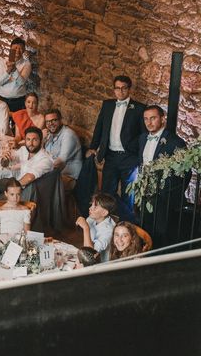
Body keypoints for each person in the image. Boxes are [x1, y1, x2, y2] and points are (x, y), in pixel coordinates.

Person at [88, 75, 146, 220]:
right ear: (114, 90)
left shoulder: (139, 108)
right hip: (111, 156)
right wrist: (93, 146)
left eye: (124, 88)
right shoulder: (107, 105)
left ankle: (127, 225)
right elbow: (99, 127)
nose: (120, 91)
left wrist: (140, 155)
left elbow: (143, 135)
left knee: (128, 195)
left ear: (129, 89)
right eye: (117, 88)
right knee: (107, 193)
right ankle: (117, 222)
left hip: (129, 157)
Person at [137, 105, 187, 247]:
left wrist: (168, 192)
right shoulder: (142, 138)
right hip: (145, 193)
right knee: (144, 229)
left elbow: (184, 173)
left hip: (165, 197)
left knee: (161, 233)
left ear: (162, 119)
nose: (149, 122)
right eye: (146, 119)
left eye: (153, 118)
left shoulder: (175, 142)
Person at [0, 126, 54, 204]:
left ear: (41, 141)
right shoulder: (24, 150)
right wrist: (5, 160)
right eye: (28, 139)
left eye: (35, 140)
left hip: (30, 191)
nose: (31, 143)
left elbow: (29, 178)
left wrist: (12, 188)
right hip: (19, 183)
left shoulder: (46, 159)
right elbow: (9, 161)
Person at [44, 108, 83, 189]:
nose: (50, 124)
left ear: (60, 120)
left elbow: (60, 161)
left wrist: (41, 169)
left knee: (41, 185)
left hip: (69, 177)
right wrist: (42, 140)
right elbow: (43, 154)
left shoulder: (68, 135)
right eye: (47, 122)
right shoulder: (50, 134)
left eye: (54, 120)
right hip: (54, 173)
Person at [75, 193, 117, 263]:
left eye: (95, 207)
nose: (90, 208)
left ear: (104, 213)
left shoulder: (109, 230)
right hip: (91, 260)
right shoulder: (91, 218)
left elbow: (89, 254)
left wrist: (86, 228)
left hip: (103, 266)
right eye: (91, 204)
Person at [0, 37, 32, 112]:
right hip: (3, 100)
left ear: (24, 50)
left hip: (18, 101)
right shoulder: (3, 62)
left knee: (17, 123)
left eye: (20, 48)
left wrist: (14, 69)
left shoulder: (26, 64)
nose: (17, 51)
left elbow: (21, 82)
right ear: (10, 49)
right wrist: (8, 70)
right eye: (15, 48)